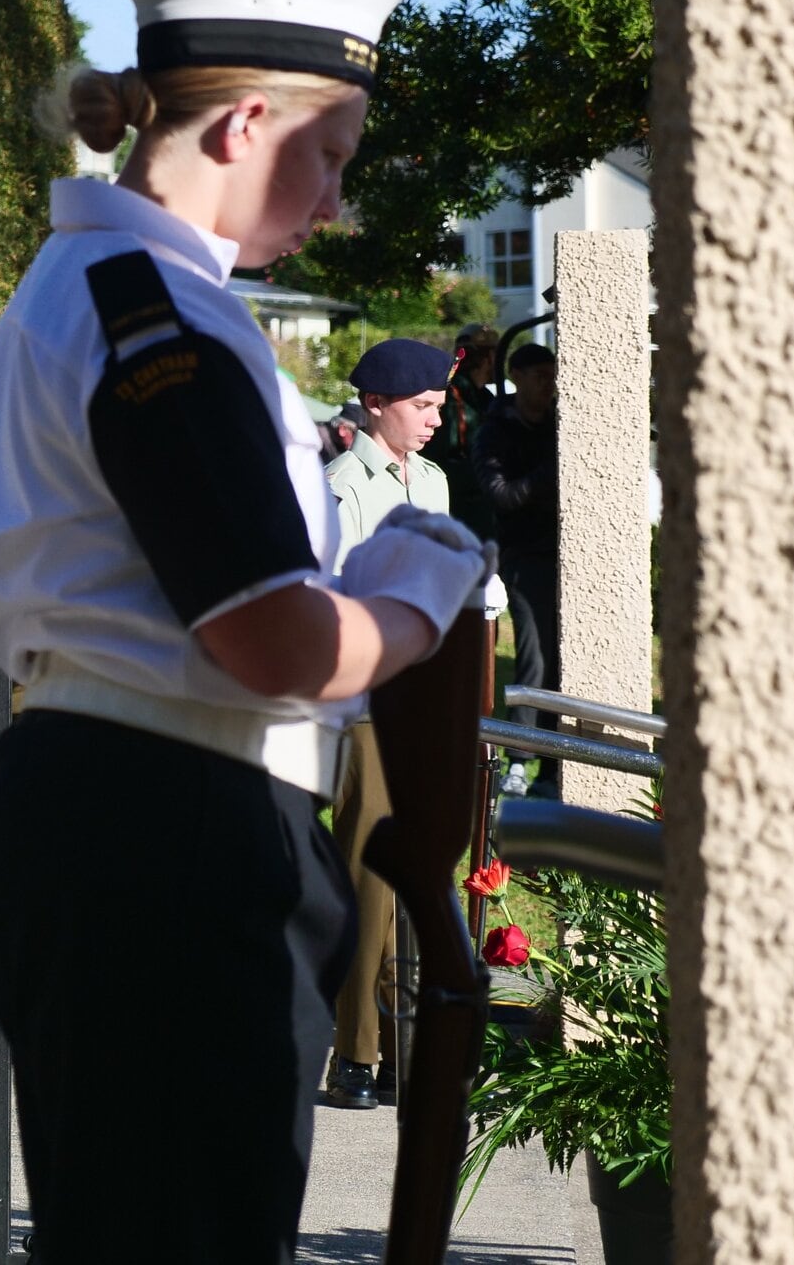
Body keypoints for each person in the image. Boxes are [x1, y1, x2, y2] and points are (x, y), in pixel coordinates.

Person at [0, 0, 494, 1262]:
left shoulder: (107, 286)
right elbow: (270, 640)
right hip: (169, 827)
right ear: (250, 123)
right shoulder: (162, 317)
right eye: (334, 153)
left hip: (123, 809)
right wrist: (420, 588)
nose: (338, 197)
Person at [318, 338, 451, 1111]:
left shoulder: (431, 482)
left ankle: (404, 1044)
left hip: (425, 700)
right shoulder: (342, 486)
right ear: (376, 406)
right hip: (370, 703)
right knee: (368, 877)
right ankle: (356, 1049)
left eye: (438, 406)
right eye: (422, 406)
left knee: (418, 878)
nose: (435, 420)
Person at [476, 342, 561, 800]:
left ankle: (551, 765)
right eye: (540, 376)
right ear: (516, 376)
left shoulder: (556, 422)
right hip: (525, 556)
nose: (549, 385)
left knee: (563, 658)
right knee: (535, 654)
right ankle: (519, 761)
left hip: (563, 552)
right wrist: (552, 471)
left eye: (552, 376)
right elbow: (502, 495)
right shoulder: (496, 430)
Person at [427, 321, 501, 540]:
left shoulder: (486, 398)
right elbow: (442, 455)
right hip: (462, 506)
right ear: (485, 357)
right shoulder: (451, 397)